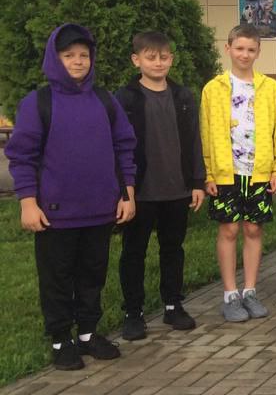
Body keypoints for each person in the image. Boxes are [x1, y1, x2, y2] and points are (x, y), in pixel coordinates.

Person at [5, 24, 137, 370]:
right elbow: (22, 156)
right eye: (69, 56)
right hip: (55, 214)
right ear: (55, 59)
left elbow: (124, 148)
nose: (78, 61)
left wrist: (127, 193)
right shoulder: (38, 103)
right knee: (57, 278)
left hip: (100, 210)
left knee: (92, 274)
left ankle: (88, 333)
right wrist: (27, 202)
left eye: (83, 55)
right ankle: (61, 338)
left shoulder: (104, 101)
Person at [115, 31, 206, 339]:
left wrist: (197, 182)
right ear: (136, 60)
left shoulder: (182, 96)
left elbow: (194, 140)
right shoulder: (126, 98)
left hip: (177, 189)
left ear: (171, 60)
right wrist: (123, 189)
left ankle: (172, 305)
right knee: (134, 252)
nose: (158, 63)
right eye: (151, 57)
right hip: (140, 191)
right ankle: (133, 312)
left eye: (164, 57)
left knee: (172, 250)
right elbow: (117, 147)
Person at [200, 23, 276, 323]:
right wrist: (209, 173)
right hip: (227, 172)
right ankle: (230, 293)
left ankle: (250, 290)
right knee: (229, 230)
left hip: (259, 172)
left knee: (253, 229)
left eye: (251, 49)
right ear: (228, 49)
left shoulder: (269, 87)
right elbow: (205, 133)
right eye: (239, 48)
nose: (244, 54)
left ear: (258, 51)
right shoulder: (214, 88)